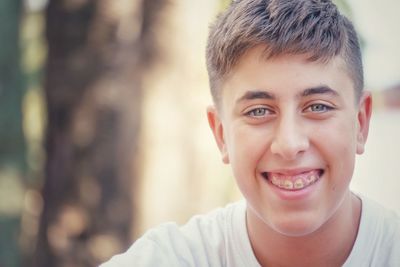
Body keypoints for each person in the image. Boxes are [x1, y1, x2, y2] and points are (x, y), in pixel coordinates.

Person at [101, 0, 400, 266]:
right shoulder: (175, 258)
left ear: (360, 122)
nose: (289, 144)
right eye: (259, 111)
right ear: (220, 134)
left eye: (318, 107)